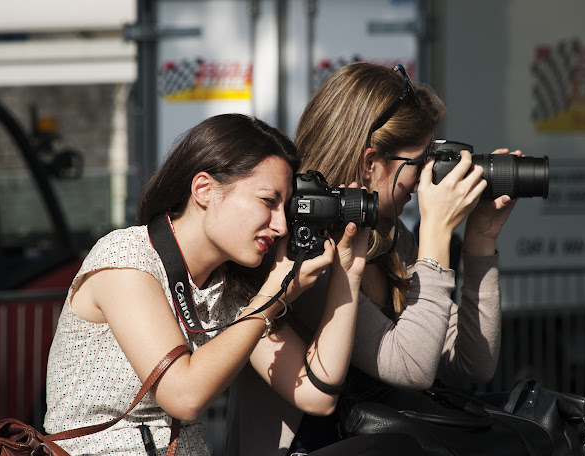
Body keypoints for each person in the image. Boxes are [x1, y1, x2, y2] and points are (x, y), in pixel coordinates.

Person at [43, 113, 408, 455]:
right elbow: (184, 395)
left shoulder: (228, 291)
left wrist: (348, 274)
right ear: (204, 189)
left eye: (286, 208)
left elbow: (317, 393)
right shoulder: (126, 259)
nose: (280, 225)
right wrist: (269, 298)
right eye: (268, 202)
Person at [226, 62, 520, 455]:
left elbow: (473, 363)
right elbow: (409, 368)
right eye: (417, 163)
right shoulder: (308, 250)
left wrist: (480, 240)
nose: (424, 179)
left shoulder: (393, 239)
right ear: (370, 163)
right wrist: (436, 234)